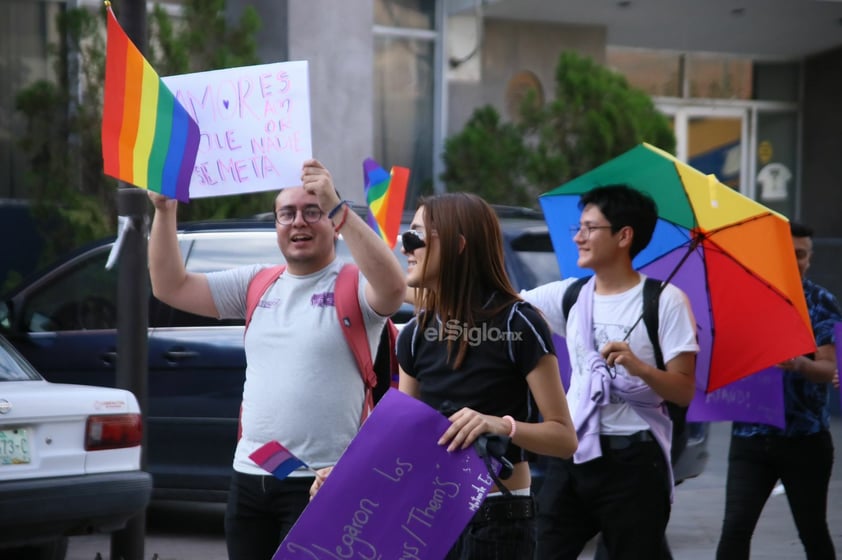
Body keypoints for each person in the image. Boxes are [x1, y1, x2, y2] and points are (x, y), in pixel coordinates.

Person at [147, 159, 406, 560]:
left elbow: (393, 287)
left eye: (312, 211)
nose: (298, 222)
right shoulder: (257, 282)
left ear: (332, 222)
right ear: (276, 225)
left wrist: (340, 207)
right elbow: (170, 286)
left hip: (323, 483)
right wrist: (165, 211)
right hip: (250, 478)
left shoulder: (354, 283)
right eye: (287, 213)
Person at [521, 184, 699, 560]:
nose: (579, 237)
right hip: (572, 456)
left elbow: (683, 390)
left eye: (590, 228)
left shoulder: (665, 302)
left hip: (634, 463)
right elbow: (498, 305)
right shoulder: (570, 295)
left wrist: (639, 368)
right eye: (578, 227)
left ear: (624, 235)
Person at [396, 192, 578, 558]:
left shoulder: (520, 323)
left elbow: (564, 438)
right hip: (428, 518)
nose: (405, 248)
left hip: (498, 518)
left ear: (458, 245)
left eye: (415, 236)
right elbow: (404, 438)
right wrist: (344, 476)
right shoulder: (415, 333)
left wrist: (500, 425)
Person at [716, 221, 841, 560]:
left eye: (801, 255)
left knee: (812, 530)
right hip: (750, 435)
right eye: (787, 253)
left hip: (805, 439)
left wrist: (800, 364)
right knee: (735, 529)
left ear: (809, 260)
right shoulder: (743, 301)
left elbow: (831, 369)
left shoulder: (820, 303)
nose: (794, 260)